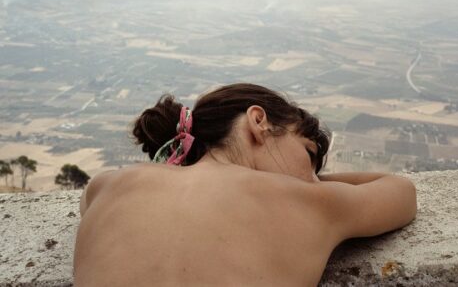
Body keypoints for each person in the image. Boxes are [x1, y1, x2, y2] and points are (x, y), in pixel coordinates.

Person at [74, 83, 417, 287]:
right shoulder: (308, 202)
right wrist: (316, 187)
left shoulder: (107, 187)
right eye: (308, 155)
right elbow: (401, 191)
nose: (311, 178)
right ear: (258, 121)